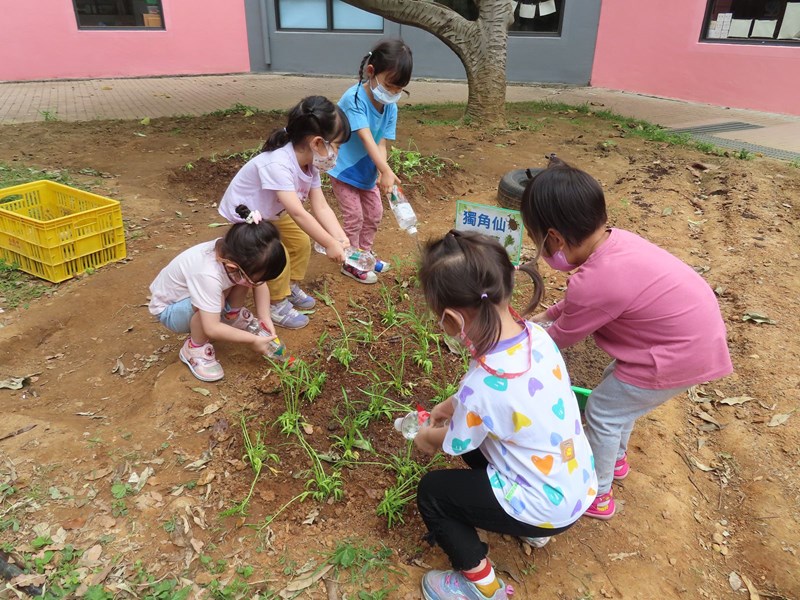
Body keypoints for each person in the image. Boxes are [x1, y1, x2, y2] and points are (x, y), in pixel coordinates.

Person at [520, 157, 733, 520]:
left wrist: (518, 342)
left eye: (538, 241)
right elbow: (574, 305)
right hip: (689, 338)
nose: (541, 250)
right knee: (616, 393)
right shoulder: (614, 242)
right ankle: (615, 459)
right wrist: (544, 315)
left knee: (603, 412)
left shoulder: (597, 281)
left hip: (677, 354)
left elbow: (559, 339)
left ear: (553, 237)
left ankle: (598, 494)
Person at [413, 230, 597, 600]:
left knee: (433, 493)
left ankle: (481, 587)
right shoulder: (537, 336)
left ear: (451, 319)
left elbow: (453, 443)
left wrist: (424, 438)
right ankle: (535, 529)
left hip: (542, 504)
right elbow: (488, 402)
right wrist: (450, 405)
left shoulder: (482, 385)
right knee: (481, 448)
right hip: (576, 486)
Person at [218, 95, 352, 329]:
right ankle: (276, 303)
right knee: (277, 253)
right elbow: (298, 213)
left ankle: (288, 286)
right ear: (318, 143)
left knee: (300, 242)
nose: (337, 153)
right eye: (337, 146)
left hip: (274, 211)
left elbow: (320, 205)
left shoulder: (311, 163)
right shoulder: (278, 164)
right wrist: (329, 243)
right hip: (249, 214)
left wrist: (339, 236)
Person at [148, 205, 287, 382]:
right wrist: (252, 340)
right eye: (256, 280)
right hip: (170, 310)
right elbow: (212, 328)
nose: (257, 284)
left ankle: (231, 316)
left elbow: (259, 284)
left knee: (242, 280)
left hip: (200, 292)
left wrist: (265, 318)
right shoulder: (207, 274)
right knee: (219, 301)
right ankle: (194, 348)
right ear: (231, 267)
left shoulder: (237, 252)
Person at [328, 39, 413, 284]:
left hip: (367, 170)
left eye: (400, 89)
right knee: (354, 216)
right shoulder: (353, 99)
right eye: (390, 85)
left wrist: (382, 171)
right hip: (344, 170)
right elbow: (366, 138)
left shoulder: (390, 106)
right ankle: (352, 260)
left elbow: (381, 143)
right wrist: (385, 170)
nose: (394, 93)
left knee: (374, 214)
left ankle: (365, 253)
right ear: (371, 72)